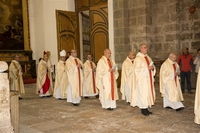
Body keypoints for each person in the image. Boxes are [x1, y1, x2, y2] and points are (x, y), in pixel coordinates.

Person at [130, 43, 156, 116]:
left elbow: (151, 65)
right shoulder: (138, 58)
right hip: (142, 79)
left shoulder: (148, 57)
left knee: (147, 93)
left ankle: (146, 107)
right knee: (143, 94)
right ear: (140, 49)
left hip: (148, 79)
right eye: (144, 47)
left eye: (146, 47)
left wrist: (153, 68)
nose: (146, 49)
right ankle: (143, 109)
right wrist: (146, 69)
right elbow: (136, 70)